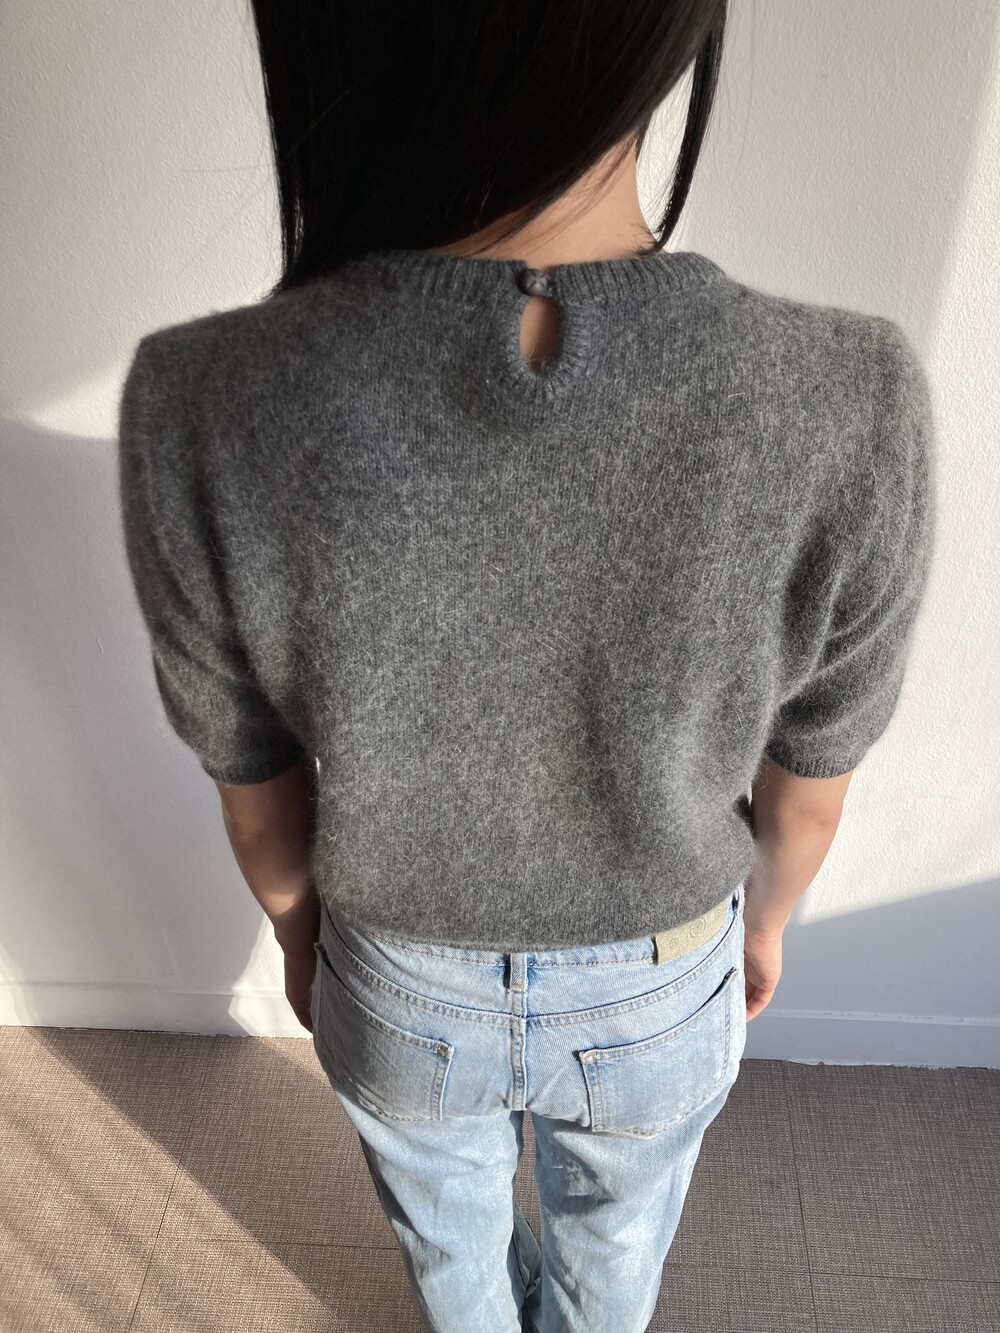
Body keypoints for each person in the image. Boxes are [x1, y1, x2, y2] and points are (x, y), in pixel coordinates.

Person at [116, 3, 936, 1330]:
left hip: (398, 971)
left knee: (445, 1238)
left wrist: (304, 938)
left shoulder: (200, 396)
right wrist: (764, 927)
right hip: (661, 970)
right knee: (617, 1244)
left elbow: (258, 799)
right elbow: (811, 795)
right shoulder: (852, 393)